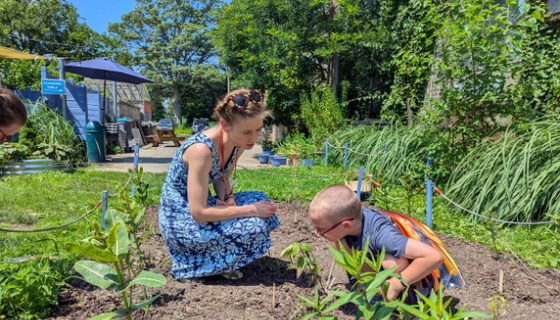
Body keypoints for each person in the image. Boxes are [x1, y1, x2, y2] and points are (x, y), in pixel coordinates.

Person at [159, 88, 280, 283]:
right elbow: (198, 213)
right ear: (225, 125)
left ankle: (221, 261)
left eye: (258, 129)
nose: (254, 138)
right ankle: (195, 266)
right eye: (247, 132)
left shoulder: (238, 142)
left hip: (203, 206)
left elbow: (221, 176)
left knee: (261, 198)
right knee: (255, 223)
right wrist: (248, 210)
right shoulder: (200, 150)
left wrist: (225, 199)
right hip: (181, 220)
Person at [309, 184, 446, 302]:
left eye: (321, 229)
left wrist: (396, 284)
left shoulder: (381, 235)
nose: (317, 232)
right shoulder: (343, 232)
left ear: (346, 226)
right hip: (373, 256)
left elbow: (434, 257)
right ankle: (376, 291)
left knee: (392, 263)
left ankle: (412, 300)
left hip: (414, 270)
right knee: (339, 244)